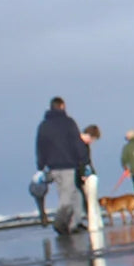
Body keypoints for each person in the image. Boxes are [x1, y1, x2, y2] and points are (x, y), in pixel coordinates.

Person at [36, 97, 91, 235]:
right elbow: (77, 143)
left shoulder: (44, 126)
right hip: (67, 165)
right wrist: (84, 160)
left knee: (69, 194)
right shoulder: (68, 123)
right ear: (62, 106)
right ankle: (60, 223)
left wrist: (40, 165)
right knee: (67, 196)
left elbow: (40, 146)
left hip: (52, 167)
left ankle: (72, 224)